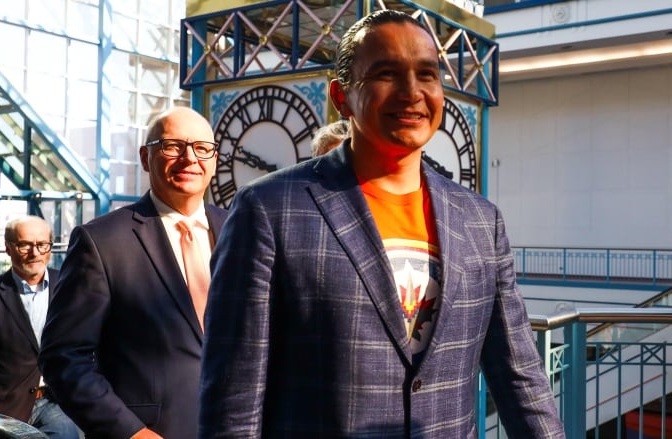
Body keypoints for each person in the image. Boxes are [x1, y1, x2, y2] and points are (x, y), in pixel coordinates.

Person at [199, 9, 565, 438]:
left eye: (427, 75)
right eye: (387, 73)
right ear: (341, 96)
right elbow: (234, 403)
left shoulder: (481, 222)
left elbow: (520, 378)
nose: (412, 92)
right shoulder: (268, 210)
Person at [39, 106, 228, 439]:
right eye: (172, 146)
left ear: (213, 160)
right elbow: (64, 357)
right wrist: (130, 432)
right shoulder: (101, 241)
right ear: (145, 157)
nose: (189, 158)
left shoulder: (240, 229)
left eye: (202, 148)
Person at [0, 215, 80, 438]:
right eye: (25, 244)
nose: (35, 253)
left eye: (42, 245)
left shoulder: (70, 288)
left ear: (50, 248)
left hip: (57, 401)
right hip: (4, 406)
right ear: (8, 248)